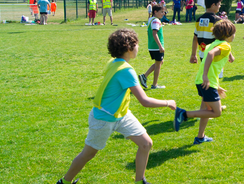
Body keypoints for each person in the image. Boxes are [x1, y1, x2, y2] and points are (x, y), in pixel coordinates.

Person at [56, 28, 177, 184]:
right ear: (128, 47)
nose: (138, 47)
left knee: (146, 143)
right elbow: (145, 101)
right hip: (103, 118)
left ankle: (140, 181)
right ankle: (64, 182)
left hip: (121, 114)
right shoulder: (126, 70)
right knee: (88, 154)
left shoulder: (114, 62)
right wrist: (168, 103)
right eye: (136, 44)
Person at [174, 20, 236, 144]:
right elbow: (212, 55)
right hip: (207, 81)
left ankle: (200, 137)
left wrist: (215, 85)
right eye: (233, 33)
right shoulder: (225, 46)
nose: (234, 36)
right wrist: (206, 77)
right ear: (228, 34)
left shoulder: (212, 44)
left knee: (206, 110)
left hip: (202, 81)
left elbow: (213, 58)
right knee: (216, 112)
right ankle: (183, 114)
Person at [191, 0, 234, 69]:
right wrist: (230, 55)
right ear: (213, 5)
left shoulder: (199, 20)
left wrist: (193, 55)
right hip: (214, 55)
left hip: (202, 55)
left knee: (207, 75)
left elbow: (195, 38)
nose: (220, 6)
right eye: (219, 4)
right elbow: (222, 40)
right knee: (213, 78)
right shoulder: (218, 21)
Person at [138, 5, 167, 90]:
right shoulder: (156, 21)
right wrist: (160, 46)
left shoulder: (150, 20)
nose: (163, 13)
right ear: (155, 12)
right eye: (161, 12)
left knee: (160, 62)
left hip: (152, 46)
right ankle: (154, 85)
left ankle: (144, 76)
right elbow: (154, 33)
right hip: (156, 47)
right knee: (158, 65)